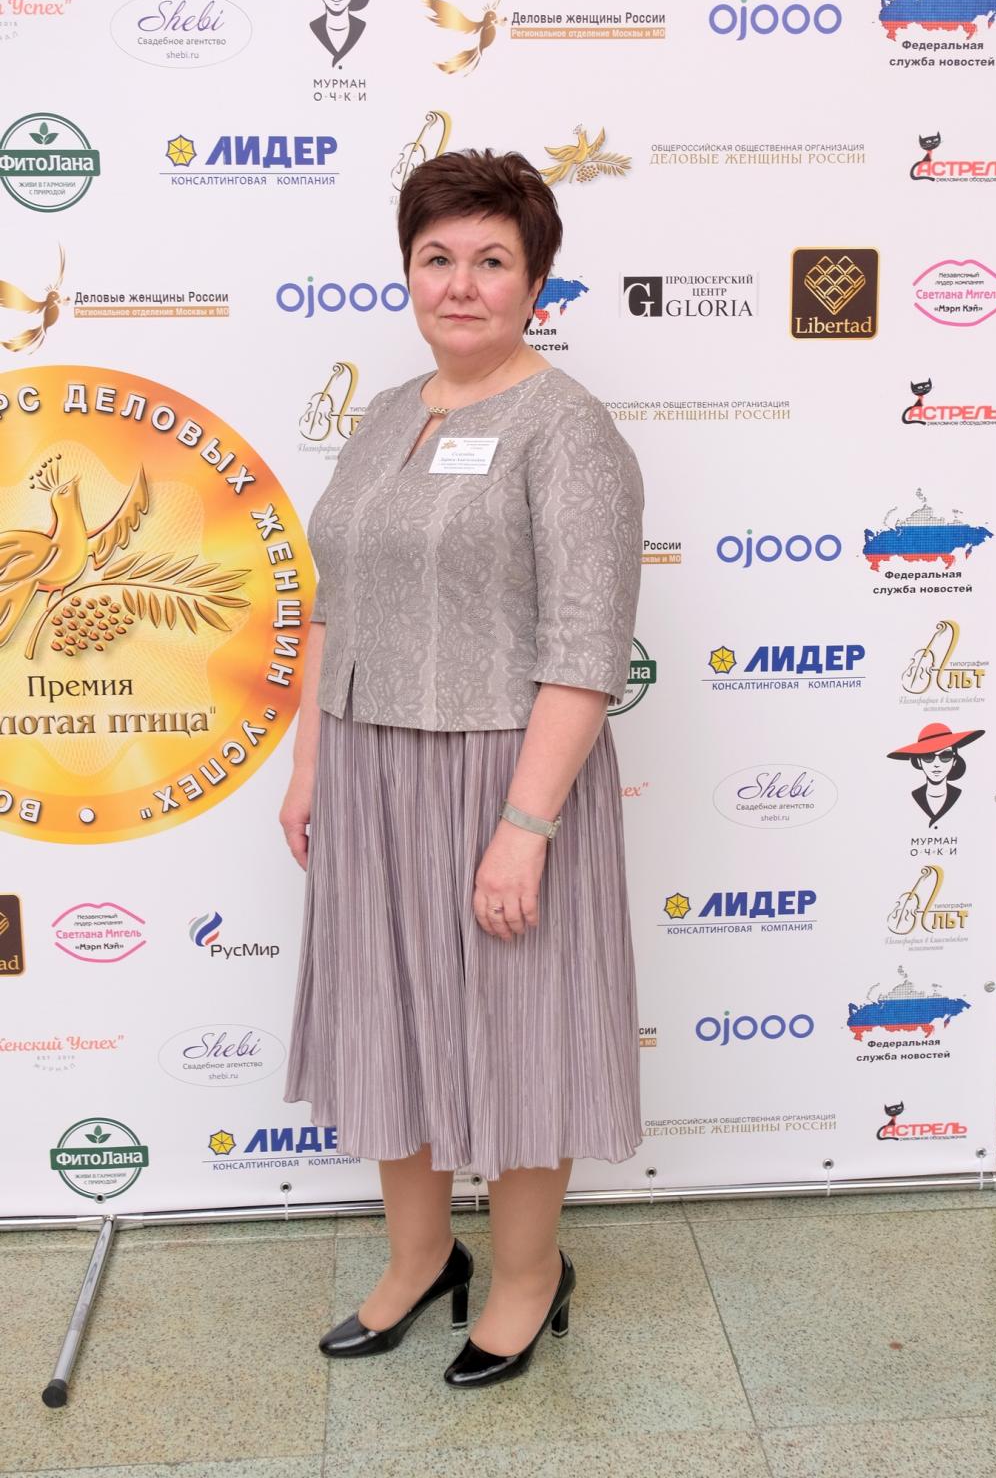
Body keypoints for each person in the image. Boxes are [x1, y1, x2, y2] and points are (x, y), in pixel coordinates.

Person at [280, 149, 644, 1388]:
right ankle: (420, 1255)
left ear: (535, 282)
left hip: (506, 773)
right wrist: (309, 766)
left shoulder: (567, 430)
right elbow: (335, 601)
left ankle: (529, 1274)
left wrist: (524, 828)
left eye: (492, 260)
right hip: (369, 764)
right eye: (437, 257)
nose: (461, 283)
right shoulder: (391, 410)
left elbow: (585, 651)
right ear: (408, 272)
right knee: (386, 1016)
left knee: (519, 1027)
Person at [887, 721, 985, 826]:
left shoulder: (966, 798)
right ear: (919, 761)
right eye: (928, 756)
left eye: (945, 756)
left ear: (954, 760)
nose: (936, 764)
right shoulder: (907, 799)